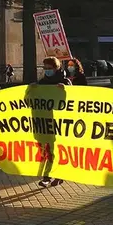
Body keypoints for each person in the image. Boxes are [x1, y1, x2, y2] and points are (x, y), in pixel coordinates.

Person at [37, 57, 72, 188]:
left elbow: (74, 100)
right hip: (46, 123)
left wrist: (66, 90)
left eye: (49, 68)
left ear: (56, 68)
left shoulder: (65, 82)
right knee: (47, 151)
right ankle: (47, 176)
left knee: (58, 149)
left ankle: (58, 175)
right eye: (45, 68)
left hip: (61, 124)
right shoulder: (41, 83)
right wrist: (31, 90)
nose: (47, 71)